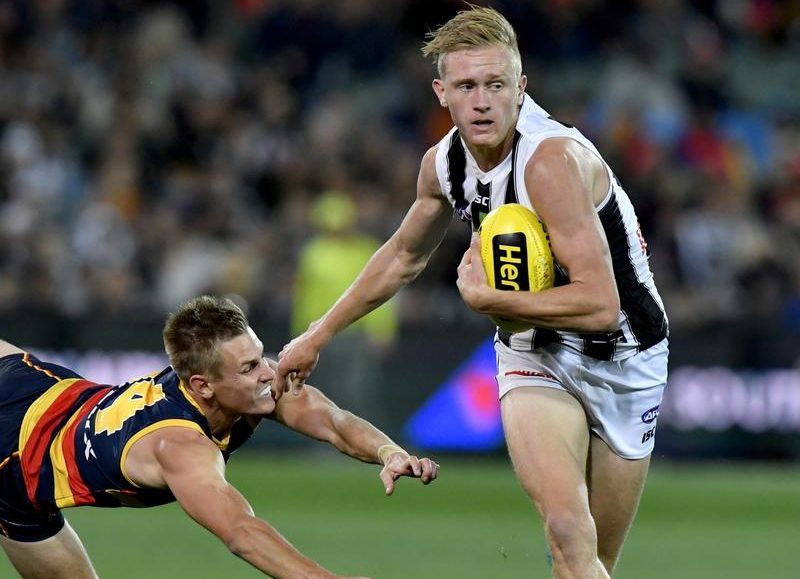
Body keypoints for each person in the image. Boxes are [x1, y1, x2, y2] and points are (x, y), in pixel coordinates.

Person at [276, 6, 668, 579]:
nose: (482, 102)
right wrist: (316, 335)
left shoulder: (551, 162)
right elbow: (403, 256)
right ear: (442, 93)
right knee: (567, 531)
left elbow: (601, 306)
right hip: (534, 352)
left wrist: (493, 303)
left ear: (521, 87)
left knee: (595, 560)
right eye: (465, 86)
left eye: (495, 85)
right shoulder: (443, 165)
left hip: (625, 356)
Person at [0, 295, 438, 579]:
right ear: (202, 386)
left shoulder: (252, 388)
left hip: (49, 389)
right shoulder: (179, 445)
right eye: (249, 368)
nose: (268, 373)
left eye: (259, 356)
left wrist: (387, 451)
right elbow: (241, 531)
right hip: (13, 463)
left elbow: (334, 422)